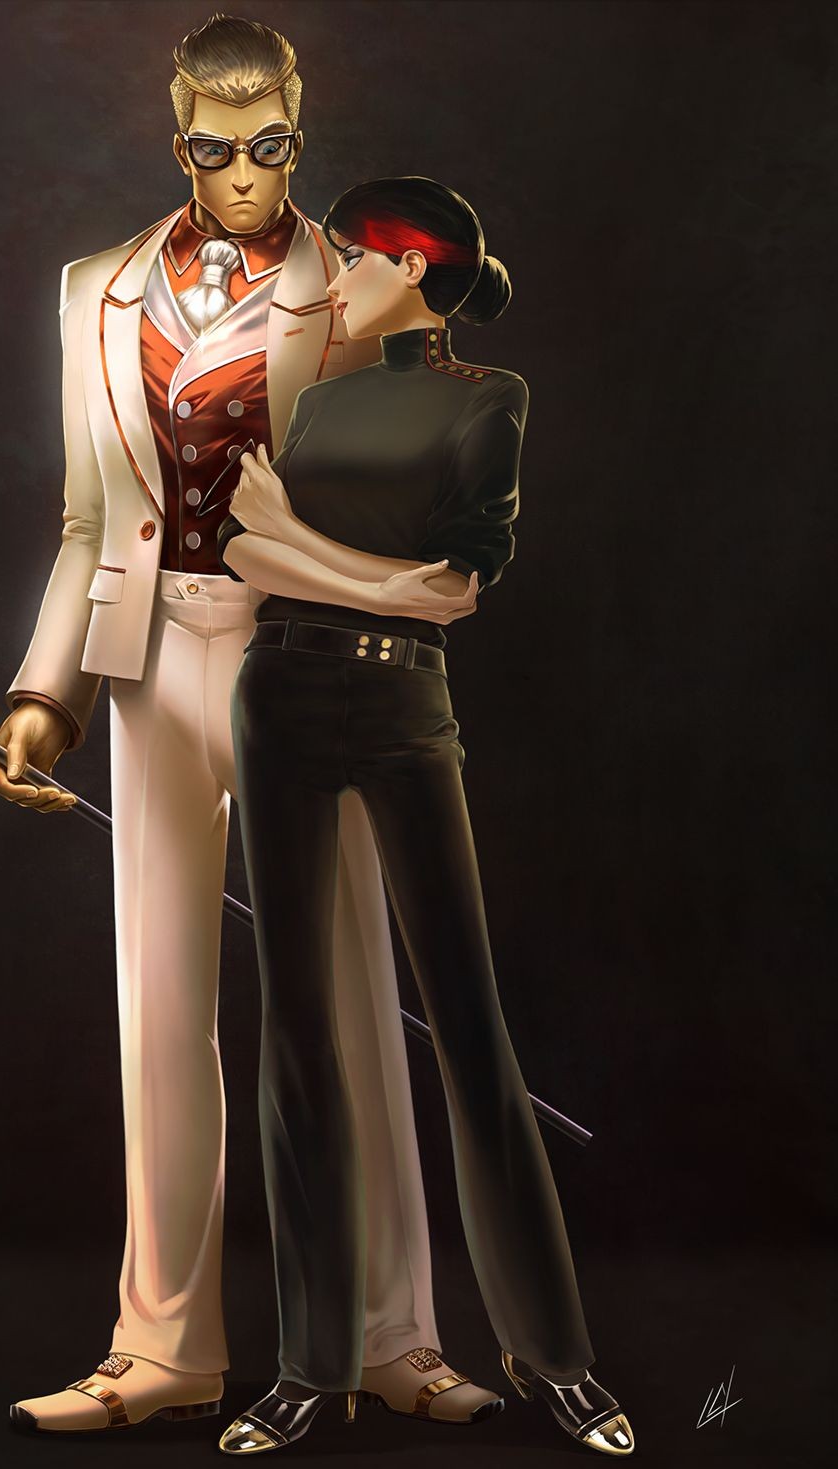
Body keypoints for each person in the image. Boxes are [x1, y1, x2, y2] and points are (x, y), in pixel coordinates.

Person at [0, 15, 495, 1437]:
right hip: (147, 659)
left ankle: (393, 1334)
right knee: (159, 1008)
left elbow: (405, 484)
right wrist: (42, 693)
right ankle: (161, 1345)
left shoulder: (359, 289)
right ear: (179, 144)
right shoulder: (92, 291)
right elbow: (87, 517)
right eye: (218, 150)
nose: (248, 174)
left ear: (298, 135)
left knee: (347, 998)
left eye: (271, 145)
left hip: (306, 663)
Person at [214, 176, 636, 1457]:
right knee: (294, 1032)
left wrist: (307, 544)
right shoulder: (322, 402)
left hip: (405, 706)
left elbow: (453, 591)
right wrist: (355, 572)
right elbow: (242, 553)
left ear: (408, 267)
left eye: (349, 256)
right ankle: (309, 1365)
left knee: (469, 1025)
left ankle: (552, 1355)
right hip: (277, 696)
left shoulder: (487, 397)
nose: (330, 277)